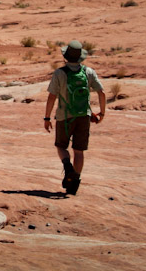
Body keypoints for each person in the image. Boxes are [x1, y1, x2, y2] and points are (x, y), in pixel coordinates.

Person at [44, 40, 105, 195]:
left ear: (65, 56)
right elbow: (101, 92)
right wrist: (101, 113)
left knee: (61, 146)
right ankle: (75, 181)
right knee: (79, 151)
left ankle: (67, 167)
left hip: (64, 117)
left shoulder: (59, 73)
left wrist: (47, 118)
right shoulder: (89, 72)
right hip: (84, 116)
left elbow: (52, 97)